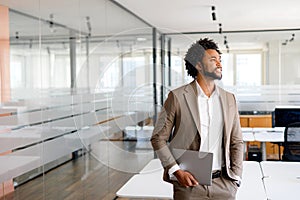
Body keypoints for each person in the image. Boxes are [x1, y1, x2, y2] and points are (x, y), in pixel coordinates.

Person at [151, 38, 243, 200]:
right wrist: (176, 171)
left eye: (220, 60)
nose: (219, 64)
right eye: (213, 60)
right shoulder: (177, 97)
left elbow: (236, 141)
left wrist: (236, 177)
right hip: (189, 186)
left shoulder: (229, 99)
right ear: (198, 65)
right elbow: (158, 138)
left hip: (224, 185)